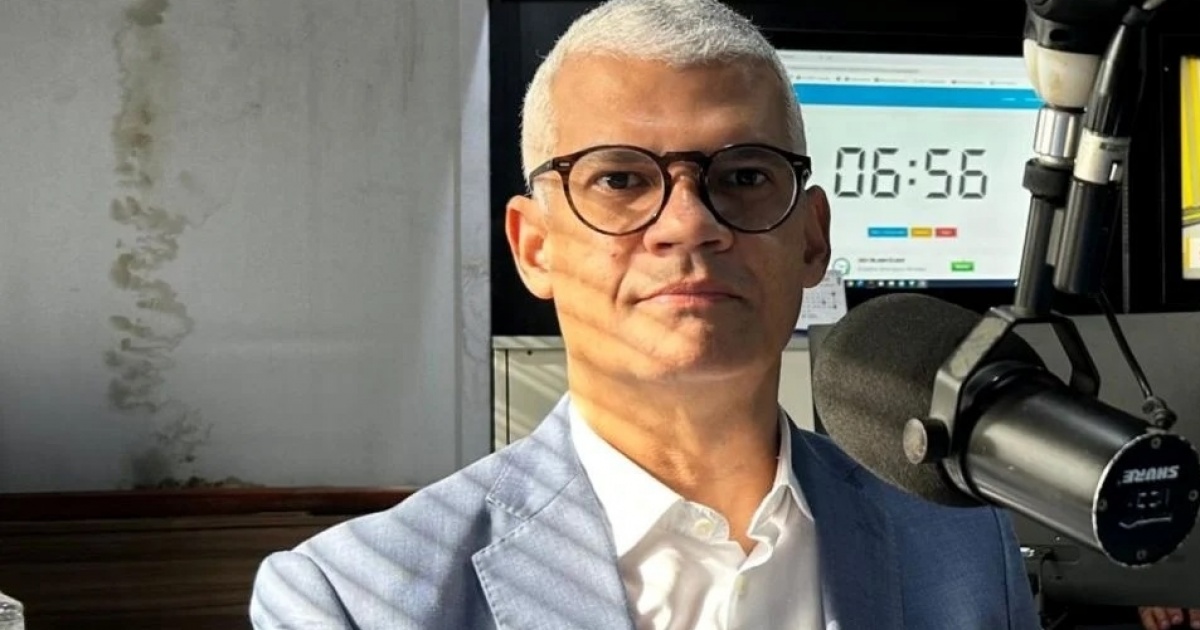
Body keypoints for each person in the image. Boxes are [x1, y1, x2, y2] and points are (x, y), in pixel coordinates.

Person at [249, 0, 1040, 628]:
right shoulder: (356, 598)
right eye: (620, 180)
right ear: (534, 247)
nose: (689, 223)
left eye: (744, 176)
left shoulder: (961, 540)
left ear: (812, 239)